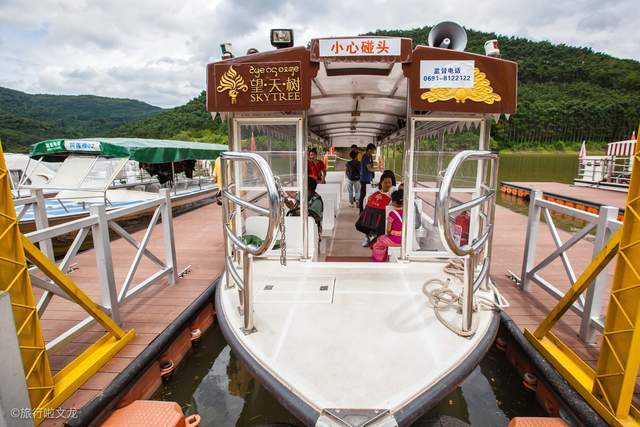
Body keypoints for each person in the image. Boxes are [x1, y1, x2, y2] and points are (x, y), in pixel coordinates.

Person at [355, 172, 394, 247]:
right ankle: (368, 237)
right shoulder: (374, 192)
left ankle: (377, 239)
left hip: (383, 218)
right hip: (370, 215)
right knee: (366, 213)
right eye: (385, 182)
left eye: (390, 182)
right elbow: (365, 202)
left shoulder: (392, 195)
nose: (388, 184)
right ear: (381, 183)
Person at [371, 189, 403, 262]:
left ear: (393, 202)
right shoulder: (406, 212)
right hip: (404, 240)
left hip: (394, 240)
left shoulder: (392, 213)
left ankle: (379, 259)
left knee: (379, 241)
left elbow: (388, 230)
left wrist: (389, 234)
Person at [358, 143, 376, 213]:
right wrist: (376, 170)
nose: (373, 152)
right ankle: (361, 210)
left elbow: (371, 166)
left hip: (368, 178)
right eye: (372, 150)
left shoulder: (369, 156)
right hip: (365, 179)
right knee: (363, 195)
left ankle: (365, 209)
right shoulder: (366, 157)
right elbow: (369, 169)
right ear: (369, 150)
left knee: (366, 194)